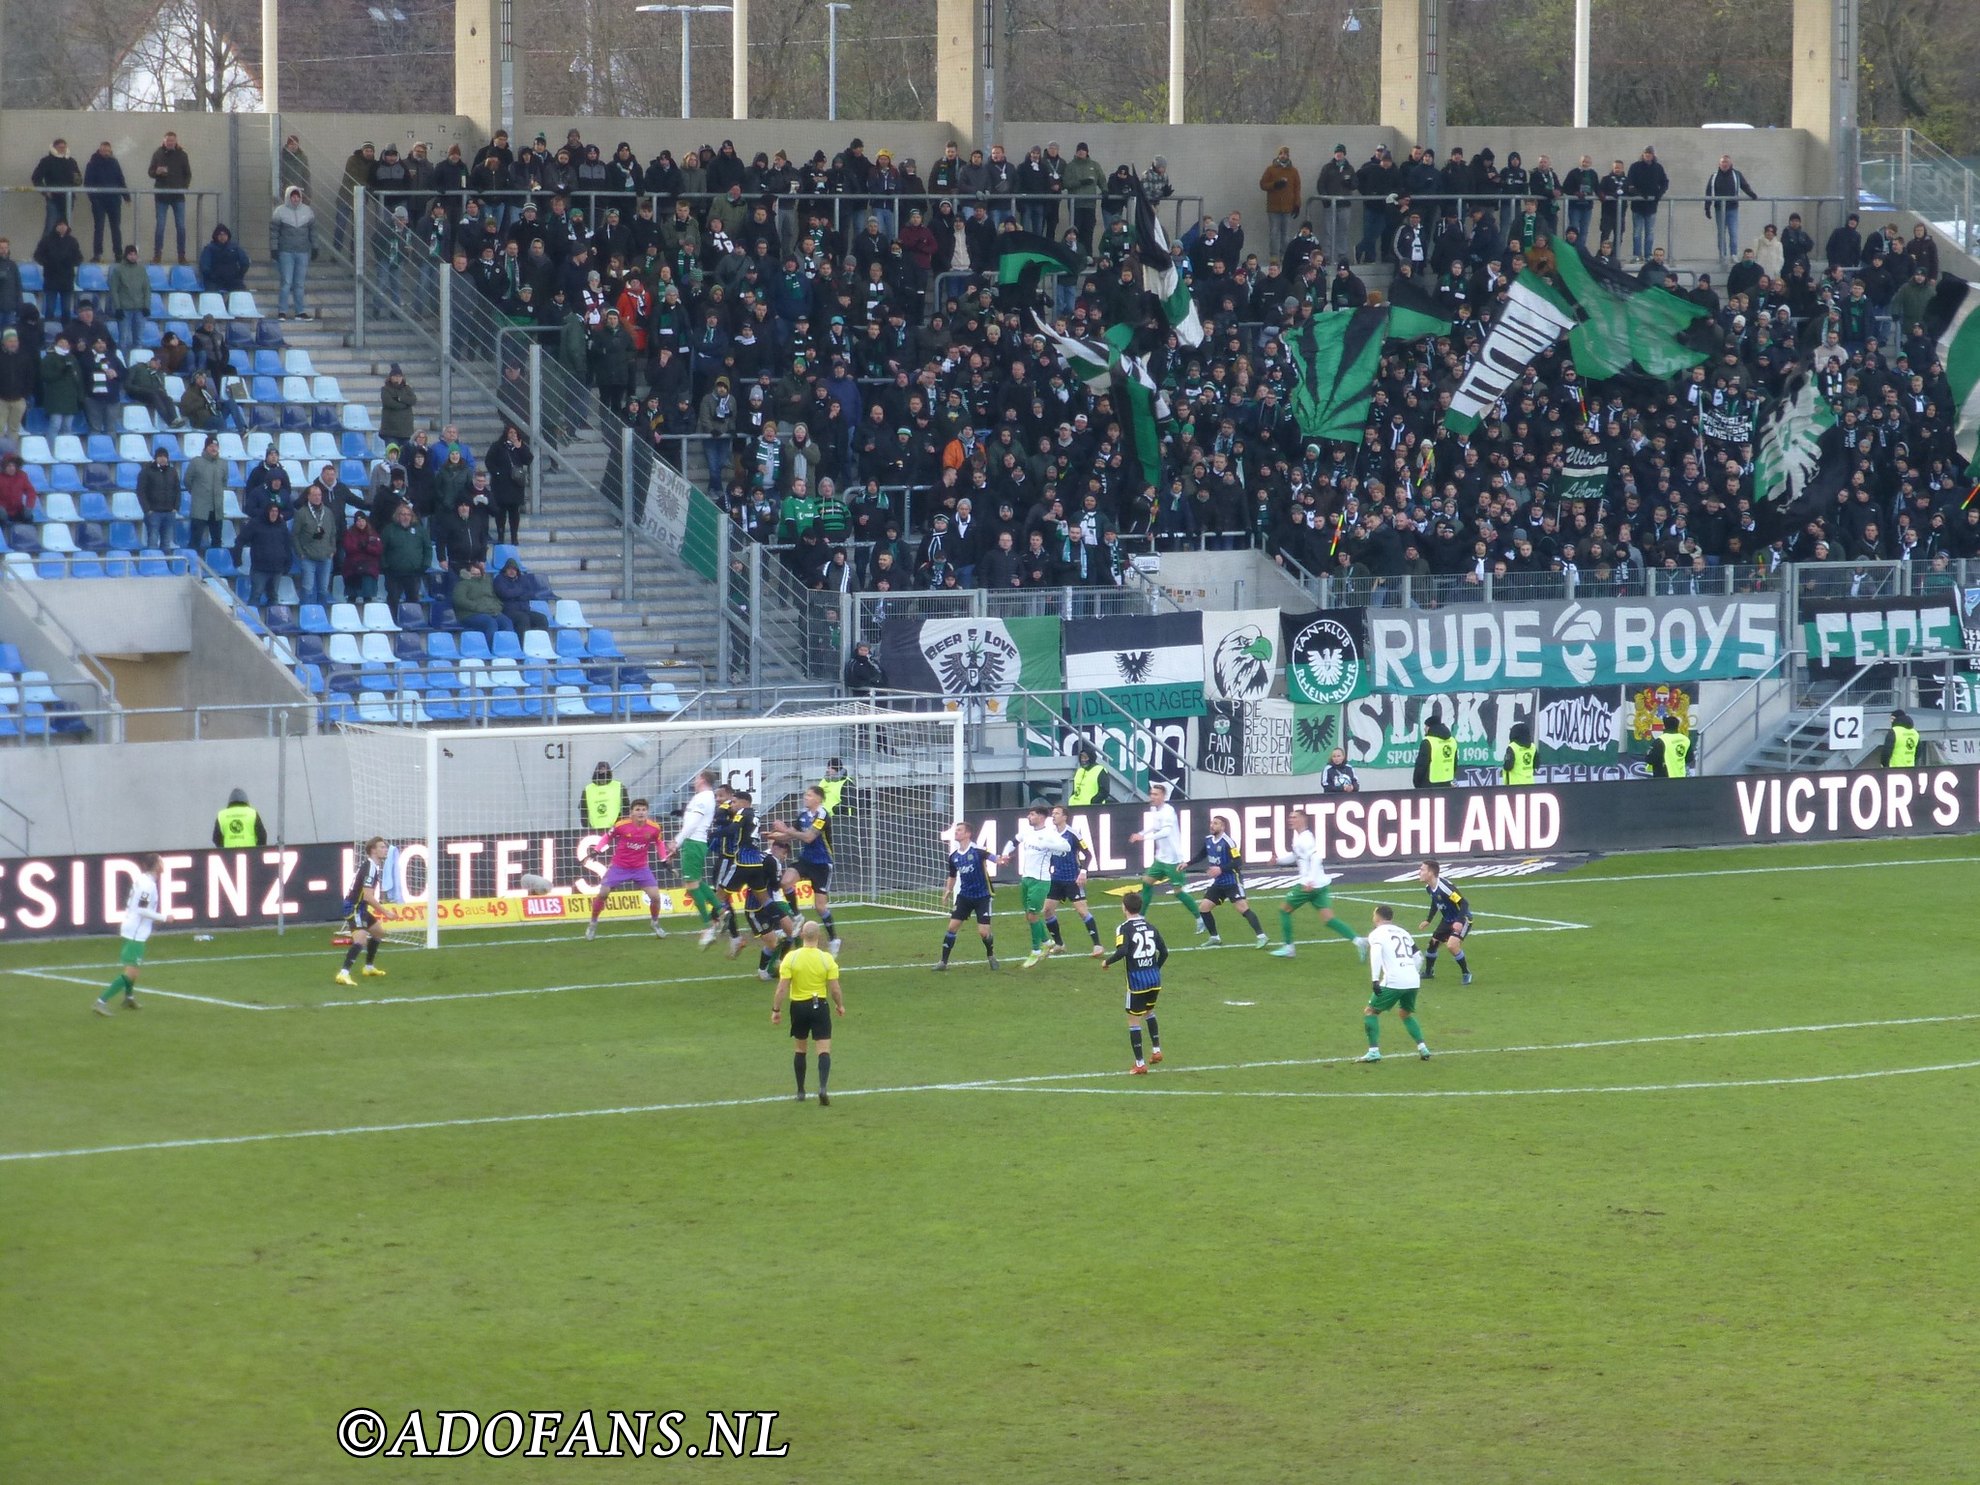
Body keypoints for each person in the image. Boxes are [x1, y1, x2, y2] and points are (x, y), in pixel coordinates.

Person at [1271, 807, 1365, 959]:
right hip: (1320, 885)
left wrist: (1310, 881)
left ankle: (1289, 948)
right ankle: (1358, 940)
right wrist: (1278, 861)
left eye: (1294, 817)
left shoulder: (1306, 839)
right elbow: (1296, 856)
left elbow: (1316, 858)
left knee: (1284, 910)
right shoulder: (1299, 837)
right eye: (1290, 817)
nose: (1291, 820)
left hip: (1308, 884)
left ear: (1302, 819)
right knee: (1328, 919)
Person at [772, 921, 845, 1105]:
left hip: (798, 1006)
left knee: (800, 1049)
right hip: (819, 1005)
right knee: (823, 1050)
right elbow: (835, 989)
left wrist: (776, 1010)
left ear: (802, 936)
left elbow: (782, 988)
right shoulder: (826, 959)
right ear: (819, 936)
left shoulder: (791, 958)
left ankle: (801, 1091)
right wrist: (839, 1005)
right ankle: (822, 1087)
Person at [581, 796, 671, 940]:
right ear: (631, 813)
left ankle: (655, 922)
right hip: (619, 866)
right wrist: (597, 850)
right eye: (637, 810)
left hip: (641, 868)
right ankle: (592, 924)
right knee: (603, 893)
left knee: (655, 897)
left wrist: (664, 859)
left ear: (647, 812)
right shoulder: (622, 825)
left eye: (644, 810)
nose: (641, 812)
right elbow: (606, 837)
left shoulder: (654, 828)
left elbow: (659, 843)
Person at [1003, 800, 1072, 967]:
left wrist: (1047, 844)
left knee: (1033, 915)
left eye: (1032, 814)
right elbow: (1013, 841)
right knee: (1029, 915)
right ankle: (1048, 942)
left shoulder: (1050, 833)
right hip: (1026, 878)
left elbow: (1067, 847)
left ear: (1041, 817)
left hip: (1041, 881)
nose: (1029, 816)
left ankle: (1035, 951)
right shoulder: (1027, 831)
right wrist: (1005, 853)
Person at [1107, 890, 1168, 1075]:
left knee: (1133, 1020)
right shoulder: (1151, 926)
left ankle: (1140, 1063)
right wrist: (1155, 968)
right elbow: (1164, 952)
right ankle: (1156, 1050)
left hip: (1136, 982)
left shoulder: (1123, 928)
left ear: (1125, 908)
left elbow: (1122, 951)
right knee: (1149, 1012)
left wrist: (1106, 962)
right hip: (1154, 980)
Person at [1360, 904, 1432, 1063]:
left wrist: (1374, 979)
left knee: (1370, 1011)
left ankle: (1373, 1052)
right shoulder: (1404, 932)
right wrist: (1412, 972)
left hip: (1394, 980)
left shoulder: (1376, 933)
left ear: (1377, 917)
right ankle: (1423, 1048)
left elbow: (1376, 953)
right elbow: (1418, 956)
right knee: (1405, 1013)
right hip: (1413, 979)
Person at [95, 854, 165, 1015]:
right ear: (155, 866)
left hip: (133, 927)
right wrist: (163, 917)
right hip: (136, 931)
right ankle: (101, 1001)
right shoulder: (148, 885)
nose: (163, 864)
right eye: (161, 861)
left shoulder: (144, 880)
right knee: (131, 971)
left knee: (133, 968)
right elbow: (142, 908)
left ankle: (128, 997)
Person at [773, 785, 840, 953]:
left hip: (822, 864)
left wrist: (786, 830)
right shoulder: (802, 815)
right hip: (806, 860)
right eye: (806, 795)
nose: (806, 797)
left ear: (818, 798)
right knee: (785, 882)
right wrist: (772, 835)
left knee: (820, 907)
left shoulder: (823, 814)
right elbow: (790, 835)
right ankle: (797, 915)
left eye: (809, 795)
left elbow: (809, 837)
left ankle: (833, 939)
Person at [1129, 782, 1202, 932]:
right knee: (1147, 882)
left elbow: (1166, 832)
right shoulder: (1155, 810)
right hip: (1161, 858)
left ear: (1163, 796)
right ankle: (1141, 917)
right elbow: (1154, 827)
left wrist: (1144, 839)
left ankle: (1200, 918)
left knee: (1178, 892)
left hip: (1173, 859)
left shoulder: (1168, 811)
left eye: (1155, 794)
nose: (1152, 797)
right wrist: (1140, 834)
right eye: (1151, 794)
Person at [1040, 804, 1106, 958]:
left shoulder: (1073, 834)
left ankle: (1097, 945)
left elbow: (1088, 854)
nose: (1053, 816)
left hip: (1072, 879)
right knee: (1047, 911)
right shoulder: (1050, 834)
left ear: (1065, 817)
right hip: (1055, 879)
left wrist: (1083, 872)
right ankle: (1059, 944)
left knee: (1082, 911)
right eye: (1053, 813)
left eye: (1057, 813)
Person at [1194, 816, 1268, 947]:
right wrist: (1187, 863)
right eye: (1211, 822)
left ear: (1222, 827)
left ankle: (1262, 936)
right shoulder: (1208, 840)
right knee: (1204, 908)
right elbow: (1201, 854)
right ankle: (1215, 938)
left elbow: (1238, 862)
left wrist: (1220, 869)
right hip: (1219, 883)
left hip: (1232, 882)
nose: (1212, 825)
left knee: (1243, 909)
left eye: (1215, 823)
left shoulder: (1228, 842)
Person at [937, 821, 999, 971]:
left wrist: (1001, 860)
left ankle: (991, 955)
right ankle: (943, 962)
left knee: (983, 932)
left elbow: (994, 858)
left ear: (967, 834)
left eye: (959, 830)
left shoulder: (978, 851)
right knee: (952, 927)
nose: (956, 832)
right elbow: (952, 876)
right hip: (964, 896)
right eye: (956, 830)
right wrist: (948, 891)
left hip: (982, 896)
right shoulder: (954, 857)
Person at [333, 836, 391, 985]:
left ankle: (368, 967)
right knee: (361, 939)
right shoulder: (370, 868)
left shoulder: (371, 866)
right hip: (354, 907)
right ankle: (343, 973)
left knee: (378, 932)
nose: (385, 850)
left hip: (361, 907)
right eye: (382, 847)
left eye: (385, 847)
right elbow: (368, 896)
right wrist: (386, 912)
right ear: (373, 850)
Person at [678, 771, 724, 941]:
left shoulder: (704, 798)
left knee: (691, 885)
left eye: (696, 777)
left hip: (693, 842)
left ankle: (709, 925)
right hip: (694, 842)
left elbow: (693, 823)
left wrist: (677, 840)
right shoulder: (702, 797)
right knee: (695, 881)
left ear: (703, 780)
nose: (695, 780)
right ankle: (721, 911)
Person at [1416, 859, 1474, 983]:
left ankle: (1466, 973)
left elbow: (1463, 903)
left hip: (1462, 919)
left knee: (1452, 945)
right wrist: (1428, 920)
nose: (1419, 872)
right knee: (1432, 945)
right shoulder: (1429, 888)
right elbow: (1435, 901)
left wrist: (1458, 921)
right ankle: (1428, 972)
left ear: (1430, 873)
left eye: (1422, 870)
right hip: (1447, 920)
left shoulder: (1445, 888)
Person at [271, 187, 316, 320]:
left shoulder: (308, 211)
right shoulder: (279, 211)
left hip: (303, 252)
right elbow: (273, 232)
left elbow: (313, 231)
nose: (295, 199)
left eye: (297, 196)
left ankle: (299, 311)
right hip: (286, 252)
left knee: (300, 284)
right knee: (286, 282)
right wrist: (274, 248)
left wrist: (315, 247)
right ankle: (282, 311)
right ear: (288, 197)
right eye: (293, 196)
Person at [148, 130, 193, 264]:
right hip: (161, 195)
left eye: (172, 141)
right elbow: (150, 172)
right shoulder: (157, 153)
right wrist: (157, 172)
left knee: (180, 226)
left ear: (176, 141)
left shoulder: (182, 155)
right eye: (168, 141)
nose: (170, 143)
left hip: (178, 197)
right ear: (164, 141)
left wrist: (183, 188)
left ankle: (181, 255)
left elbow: (188, 174)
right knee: (160, 226)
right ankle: (157, 254)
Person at [83, 141, 129, 261]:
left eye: (108, 151)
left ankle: (118, 254)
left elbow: (120, 179)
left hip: (114, 200)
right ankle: (98, 254)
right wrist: (93, 199)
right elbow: (87, 183)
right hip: (99, 201)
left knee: (116, 228)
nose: (106, 153)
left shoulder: (114, 163)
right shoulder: (92, 164)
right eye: (104, 150)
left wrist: (126, 197)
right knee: (99, 227)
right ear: (99, 150)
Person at [32, 138, 81, 241]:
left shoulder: (71, 162)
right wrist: (45, 192)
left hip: (68, 200)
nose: (62, 149)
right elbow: (36, 178)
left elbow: (79, 180)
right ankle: (43, 254)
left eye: (64, 147)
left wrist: (77, 179)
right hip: (53, 200)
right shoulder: (47, 161)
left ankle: (63, 254)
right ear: (54, 148)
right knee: (50, 228)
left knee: (65, 229)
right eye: (60, 147)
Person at [136, 443, 182, 553]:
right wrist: (147, 509)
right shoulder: (146, 471)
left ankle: (165, 567)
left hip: (169, 513)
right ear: (155, 458)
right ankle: (152, 565)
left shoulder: (172, 471)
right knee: (152, 542)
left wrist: (176, 507)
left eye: (164, 456)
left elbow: (177, 490)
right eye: (160, 456)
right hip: (153, 513)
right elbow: (140, 491)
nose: (162, 459)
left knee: (166, 543)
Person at [197, 224, 249, 293]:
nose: (222, 237)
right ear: (216, 236)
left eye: (225, 234)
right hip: (214, 281)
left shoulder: (235, 248)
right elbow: (205, 266)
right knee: (211, 293)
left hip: (232, 280)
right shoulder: (209, 249)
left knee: (241, 293)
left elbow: (245, 262)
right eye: (220, 234)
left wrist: (239, 275)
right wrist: (212, 276)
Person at [1412, 714, 1457, 787]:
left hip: (1429, 784)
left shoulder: (1428, 742)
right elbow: (1454, 763)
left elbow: (1421, 765)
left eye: (1426, 726)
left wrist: (1417, 783)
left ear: (1430, 727)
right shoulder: (1452, 741)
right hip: (1447, 783)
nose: (1424, 729)